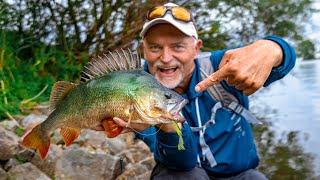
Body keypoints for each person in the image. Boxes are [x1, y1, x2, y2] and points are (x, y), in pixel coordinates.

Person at [103, 2, 296, 179]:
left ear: (196, 48)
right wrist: (168, 128)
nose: (166, 58)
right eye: (155, 47)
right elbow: (180, 162)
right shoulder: (133, 88)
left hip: (238, 175)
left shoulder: (221, 66)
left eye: (178, 46)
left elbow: (284, 60)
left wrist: (271, 49)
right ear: (143, 50)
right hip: (180, 171)